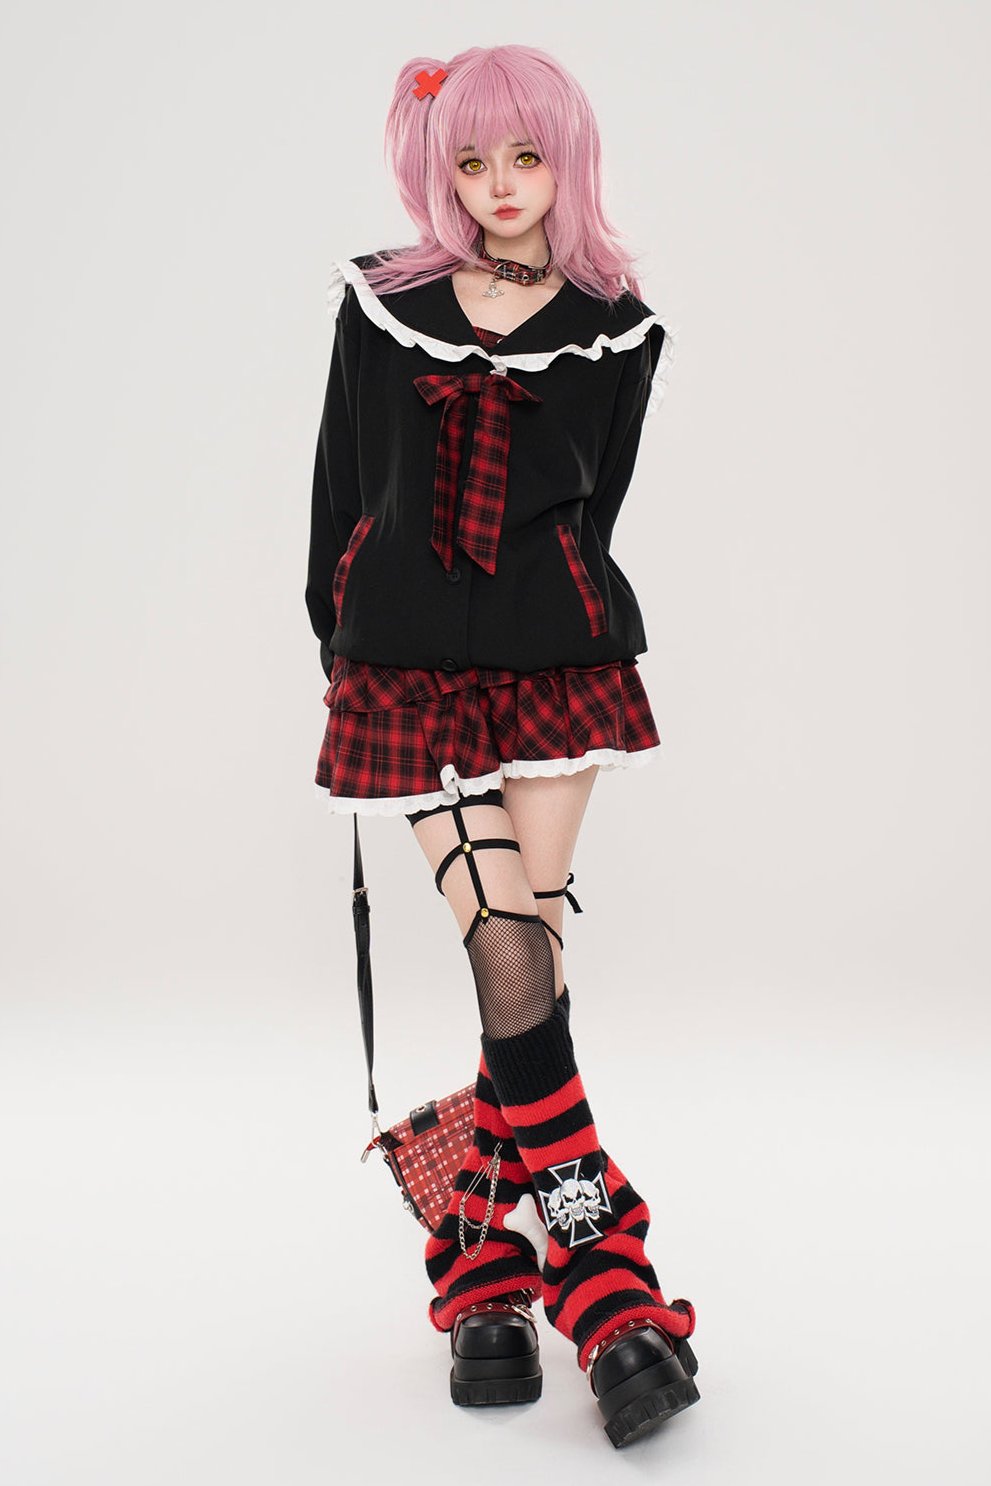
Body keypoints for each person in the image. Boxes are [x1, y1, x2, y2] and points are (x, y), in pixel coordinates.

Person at [305, 43, 700, 1450]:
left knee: (524, 957)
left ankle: (481, 1265)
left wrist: (563, 614)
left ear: (566, 158)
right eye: (470, 161)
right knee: (508, 940)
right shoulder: (382, 305)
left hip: (557, 670)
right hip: (405, 670)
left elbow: (599, 510)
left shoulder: (616, 328)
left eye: (525, 157)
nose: (499, 185)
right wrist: (345, 641)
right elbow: (340, 484)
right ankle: (610, 1277)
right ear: (441, 167)